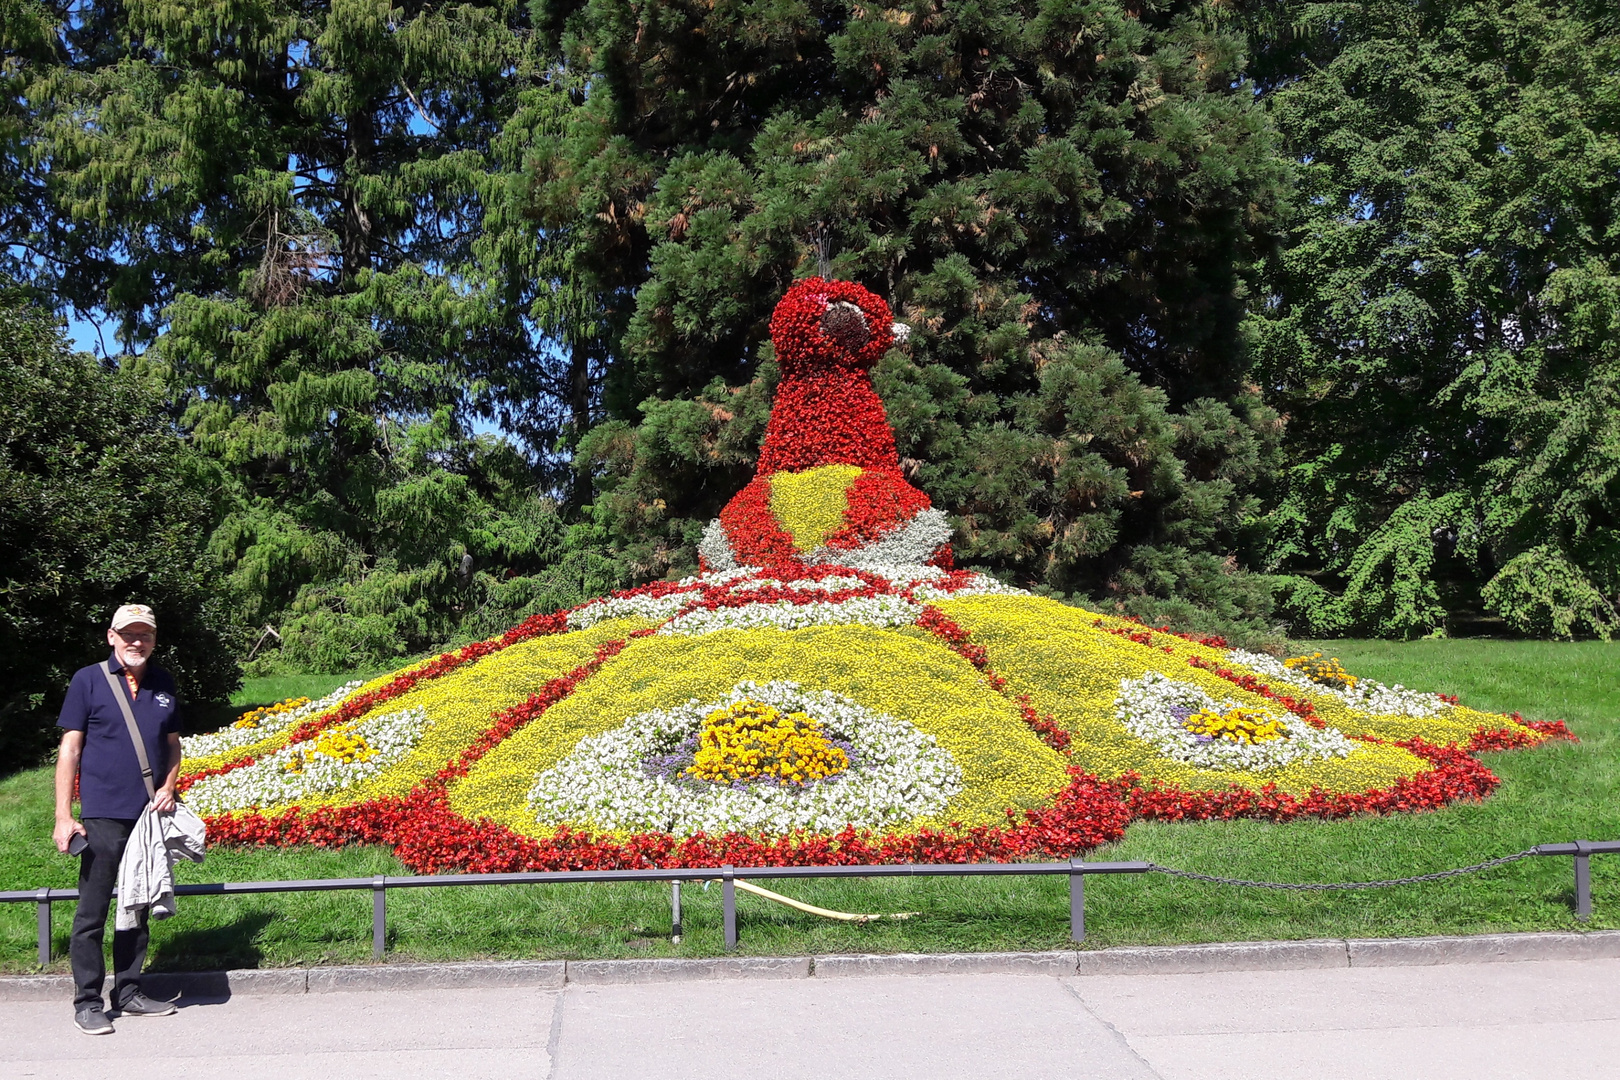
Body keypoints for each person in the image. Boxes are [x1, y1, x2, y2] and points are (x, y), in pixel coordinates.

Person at [54, 604, 185, 1035]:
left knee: (137, 906)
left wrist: (168, 787)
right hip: (101, 816)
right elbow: (70, 750)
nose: (136, 642)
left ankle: (128, 992)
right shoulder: (88, 680)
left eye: (144, 634)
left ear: (153, 639)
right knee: (91, 912)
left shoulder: (163, 682)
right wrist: (62, 815)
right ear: (112, 636)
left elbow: (173, 746)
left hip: (147, 814)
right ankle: (87, 1001)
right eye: (128, 633)